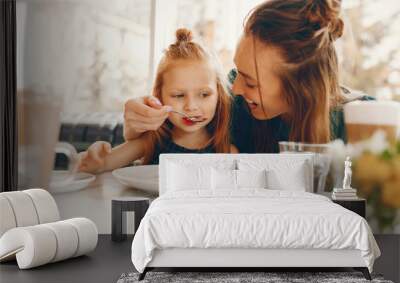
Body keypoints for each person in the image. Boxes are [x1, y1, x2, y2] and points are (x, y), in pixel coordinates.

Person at [122, 0, 372, 153]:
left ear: (300, 87)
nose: (236, 87)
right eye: (238, 72)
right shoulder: (232, 104)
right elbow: (163, 140)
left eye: (251, 81)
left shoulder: (364, 124)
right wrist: (135, 125)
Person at [78, 28, 237, 174]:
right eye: (178, 95)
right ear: (159, 97)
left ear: (219, 96)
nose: (191, 107)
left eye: (204, 94)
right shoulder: (150, 142)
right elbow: (102, 163)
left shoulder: (227, 153)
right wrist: (95, 158)